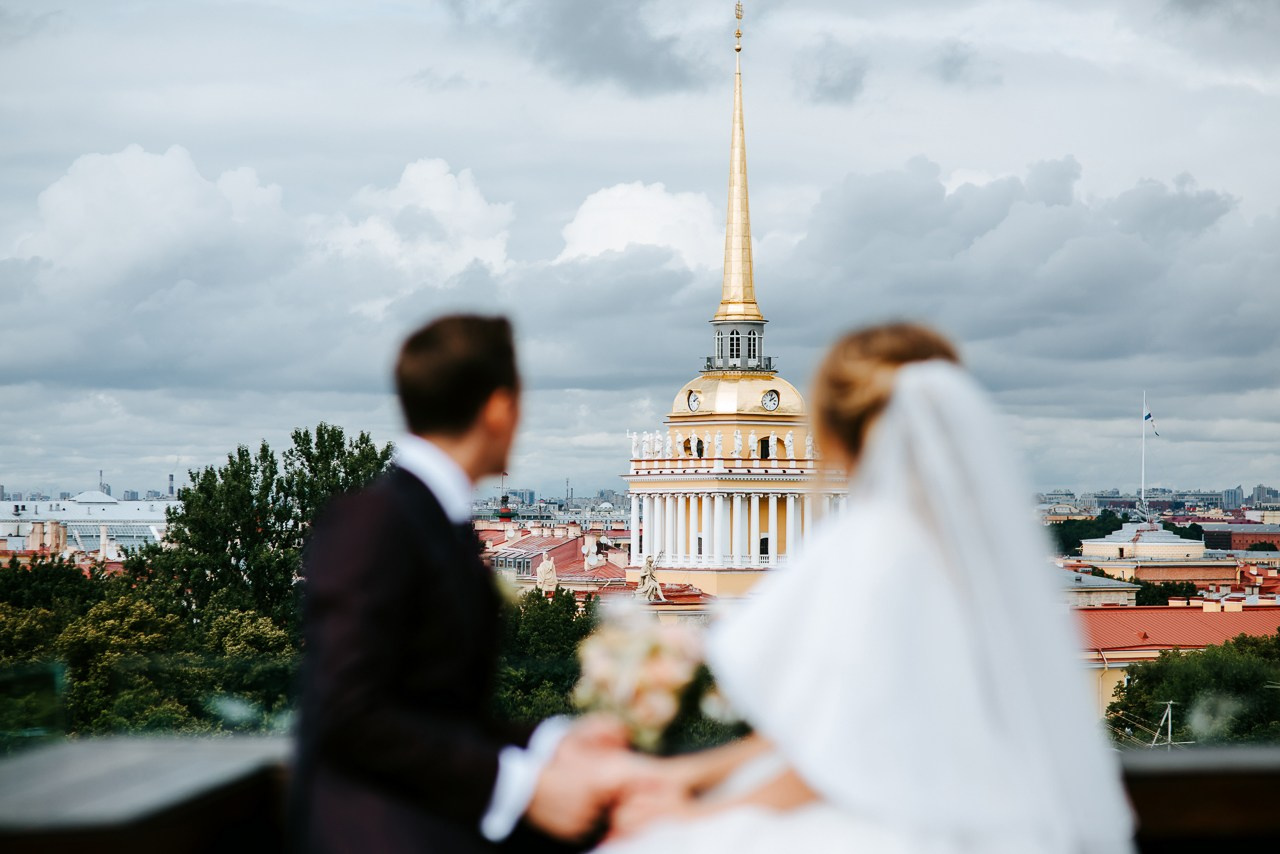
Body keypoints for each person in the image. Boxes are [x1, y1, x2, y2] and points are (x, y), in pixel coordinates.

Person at [597, 323, 1135, 853]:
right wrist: (691, 775)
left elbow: (832, 753)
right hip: (1004, 819)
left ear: (830, 432)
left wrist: (699, 808)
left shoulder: (868, 546)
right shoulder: (977, 550)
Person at [292, 315, 642, 853]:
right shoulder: (377, 522)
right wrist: (523, 788)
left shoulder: (415, 517)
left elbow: (435, 715)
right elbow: (349, 715)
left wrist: (551, 742)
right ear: (501, 408)